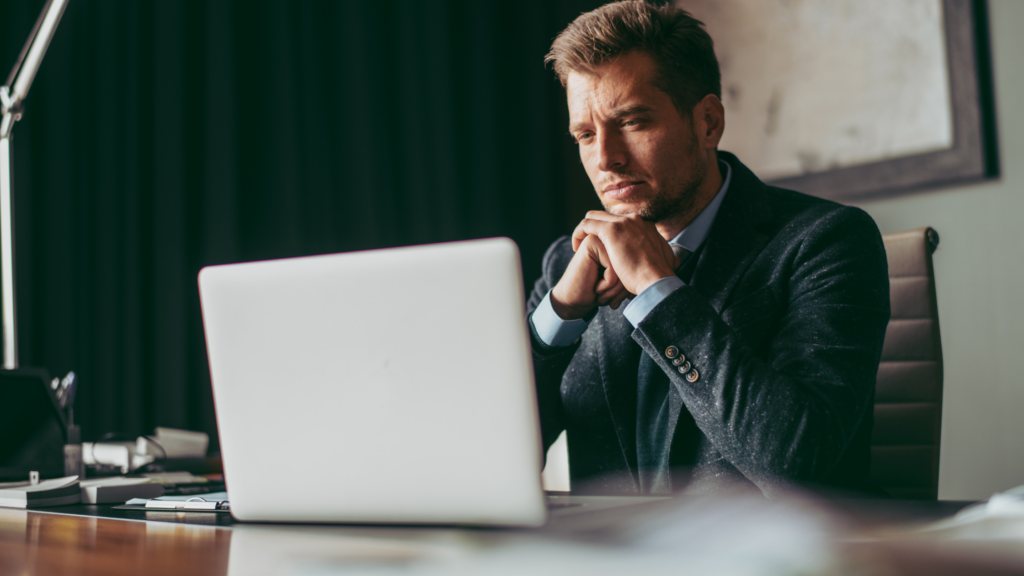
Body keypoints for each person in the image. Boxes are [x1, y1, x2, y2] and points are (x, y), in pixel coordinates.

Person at [527, 1, 890, 497]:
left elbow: (796, 462)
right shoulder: (565, 266)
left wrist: (657, 291)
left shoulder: (828, 241)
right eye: (586, 135)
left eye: (632, 122)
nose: (606, 159)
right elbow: (482, 456)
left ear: (708, 122)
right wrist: (559, 316)